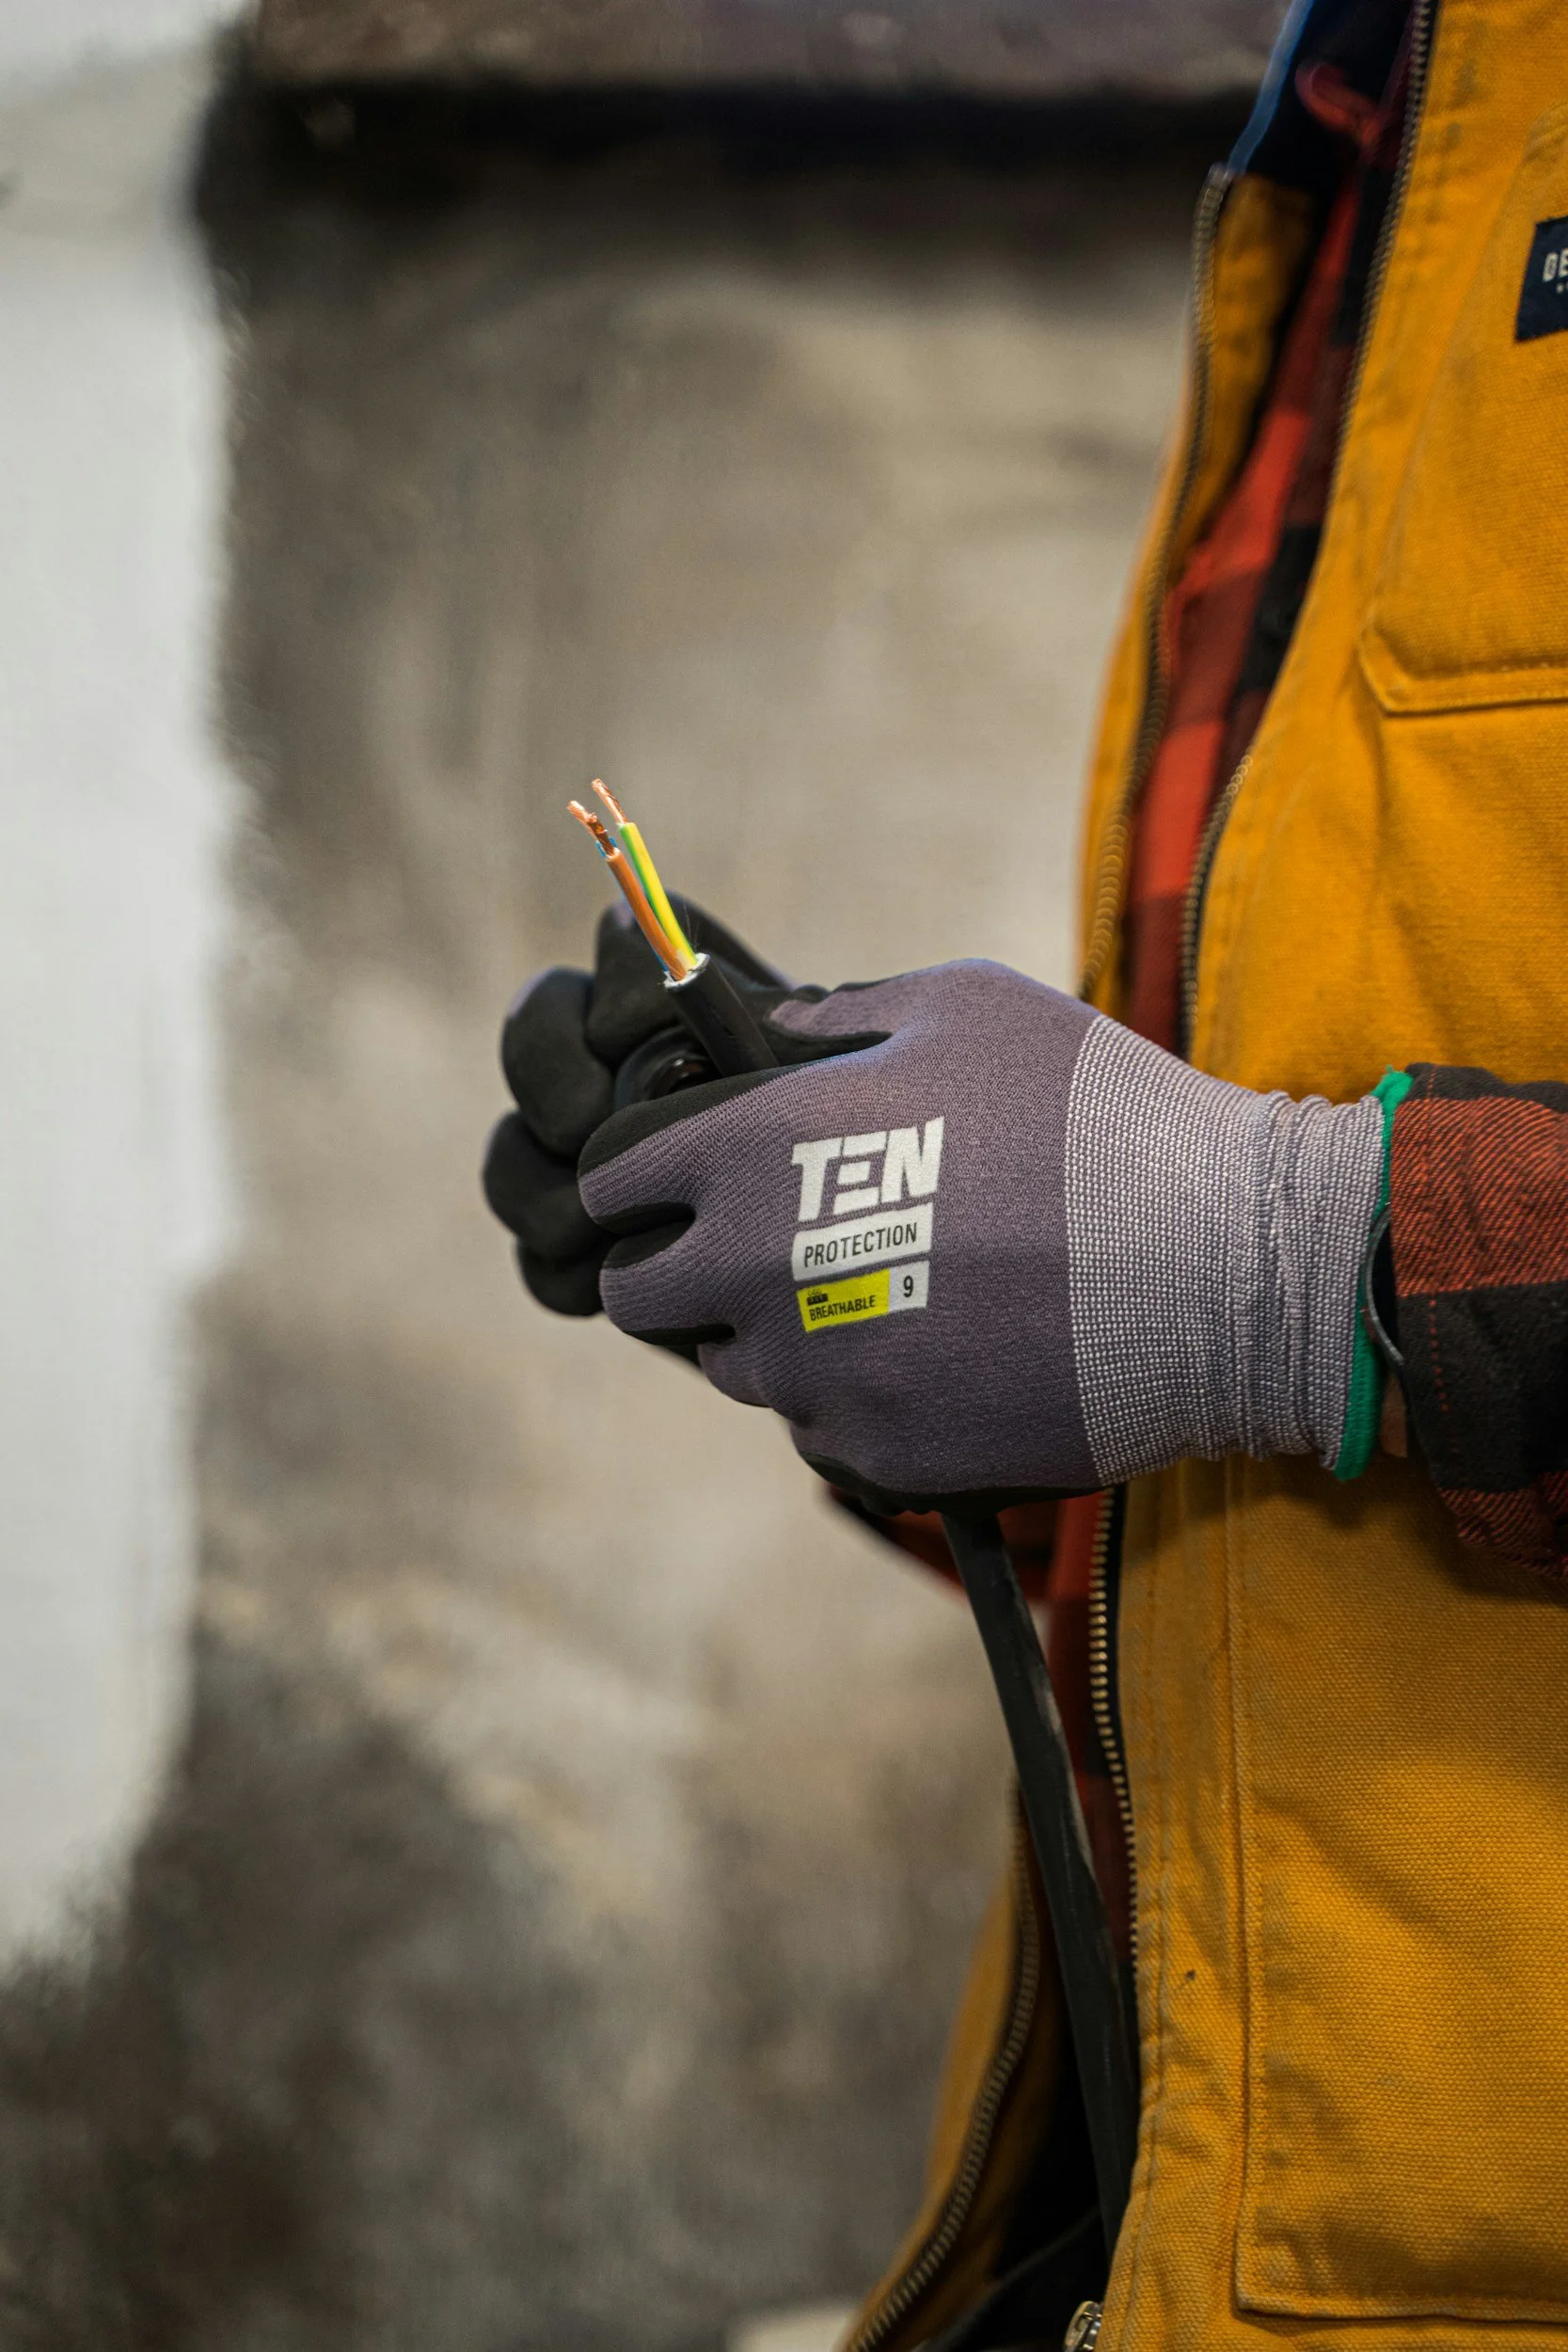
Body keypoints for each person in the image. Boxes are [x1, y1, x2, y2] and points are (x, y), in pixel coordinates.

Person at [484, 2, 1568, 2345]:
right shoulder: (1401, 125)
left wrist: (1294, 1257)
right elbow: (1281, 1381)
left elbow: (1288, 1259)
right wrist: (871, 1262)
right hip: (1219, 2226)